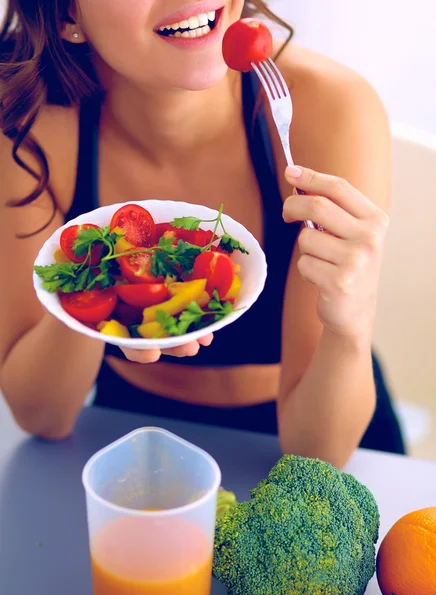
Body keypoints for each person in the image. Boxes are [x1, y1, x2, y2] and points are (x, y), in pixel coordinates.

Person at [0, 0, 405, 469]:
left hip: (315, 432)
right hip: (133, 434)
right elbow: (42, 415)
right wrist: (99, 290)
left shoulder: (327, 106)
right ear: (67, 15)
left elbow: (316, 452)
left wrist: (350, 328)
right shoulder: (27, 122)